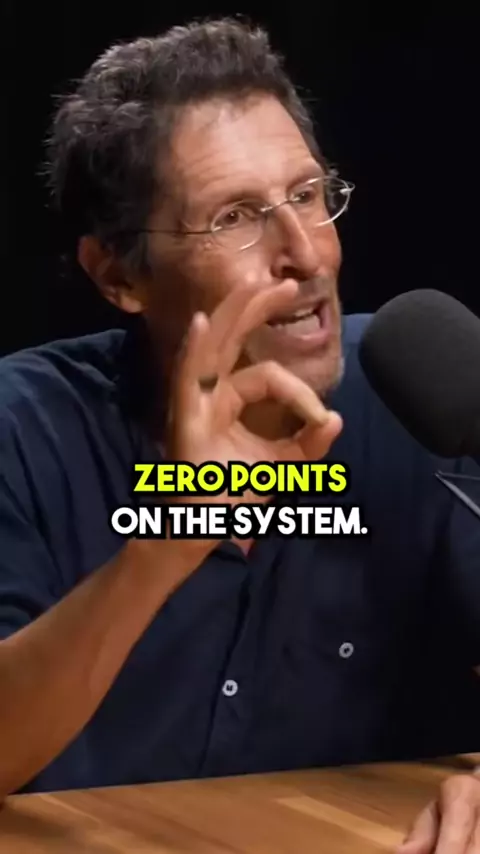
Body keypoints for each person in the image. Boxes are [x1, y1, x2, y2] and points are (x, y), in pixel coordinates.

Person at [0, 16, 479, 852]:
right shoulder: (24, 430)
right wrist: (173, 536)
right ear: (119, 276)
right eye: (235, 218)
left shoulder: (426, 394)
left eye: (308, 195)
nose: (307, 256)